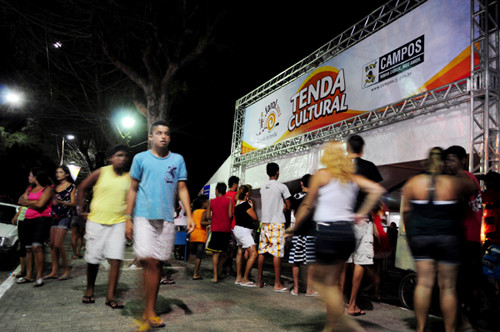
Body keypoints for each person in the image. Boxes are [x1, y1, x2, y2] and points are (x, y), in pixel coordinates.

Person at [291, 140, 385, 331]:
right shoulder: (351, 177)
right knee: (332, 284)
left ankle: (346, 323)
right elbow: (377, 190)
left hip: (328, 232)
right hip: (346, 234)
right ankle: (330, 327)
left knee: (318, 281)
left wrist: (293, 228)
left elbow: (308, 204)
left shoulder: (323, 175)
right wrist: (361, 213)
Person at [125, 120, 195, 329]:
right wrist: (128, 218)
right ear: (150, 137)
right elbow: (132, 189)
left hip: (166, 218)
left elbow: (182, 188)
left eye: (166, 133)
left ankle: (149, 304)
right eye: (159, 133)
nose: (163, 136)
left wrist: (189, 214)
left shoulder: (178, 159)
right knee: (148, 260)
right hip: (143, 216)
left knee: (156, 263)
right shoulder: (140, 158)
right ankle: (149, 309)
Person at [403, 147, 476, 332]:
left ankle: (420, 328)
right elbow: (473, 187)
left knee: (424, 283)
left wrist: (411, 237)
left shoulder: (412, 183)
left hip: (421, 237)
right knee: (448, 288)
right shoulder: (452, 183)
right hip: (448, 238)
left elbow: (406, 213)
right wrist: (459, 168)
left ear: (426, 162)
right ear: (442, 162)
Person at [77, 145, 131, 309]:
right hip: (96, 221)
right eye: (119, 155)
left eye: (125, 156)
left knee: (116, 258)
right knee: (93, 259)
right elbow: (82, 187)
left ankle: (110, 296)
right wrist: (80, 210)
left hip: (118, 222)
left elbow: (130, 200)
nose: (122, 158)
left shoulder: (129, 177)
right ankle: (89, 290)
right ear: (111, 158)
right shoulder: (101, 172)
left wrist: (130, 219)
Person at [344, 134, 383, 315]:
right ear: (361, 149)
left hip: (342, 219)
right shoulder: (369, 167)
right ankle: (352, 304)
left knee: (343, 262)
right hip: (361, 220)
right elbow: (376, 195)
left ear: (347, 148)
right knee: (360, 261)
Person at [444, 145, 482, 328]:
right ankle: (465, 321)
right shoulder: (467, 179)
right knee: (464, 285)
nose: (448, 165)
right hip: (469, 240)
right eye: (446, 161)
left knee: (454, 286)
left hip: (464, 239)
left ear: (463, 161)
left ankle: (463, 322)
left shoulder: (465, 178)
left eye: (451, 160)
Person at [17, 168, 55, 287]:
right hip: (25, 220)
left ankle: (39, 276)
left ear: (36, 177)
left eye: (30, 175)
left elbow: (40, 205)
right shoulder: (29, 188)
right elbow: (20, 201)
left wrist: (27, 202)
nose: (29, 177)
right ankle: (28, 275)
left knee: (37, 247)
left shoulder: (48, 189)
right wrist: (31, 203)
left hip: (40, 220)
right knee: (28, 248)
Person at [257, 162, 291, 291]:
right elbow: (288, 205)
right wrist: (285, 206)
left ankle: (259, 281)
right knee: (277, 253)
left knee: (262, 252)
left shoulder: (262, 187)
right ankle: (277, 284)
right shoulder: (282, 187)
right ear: (277, 172)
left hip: (264, 223)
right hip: (276, 223)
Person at [44, 165, 76, 280]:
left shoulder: (71, 186)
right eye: (57, 172)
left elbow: (73, 203)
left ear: (66, 174)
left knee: (58, 243)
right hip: (54, 216)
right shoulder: (54, 187)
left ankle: (66, 270)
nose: (58, 174)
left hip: (65, 216)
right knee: (52, 244)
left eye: (60, 172)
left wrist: (60, 201)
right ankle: (54, 271)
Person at [288, 174, 317, 296]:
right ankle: (309, 290)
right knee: (311, 263)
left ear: (301, 183)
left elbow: (294, 214)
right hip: (311, 231)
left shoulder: (295, 197)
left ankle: (295, 288)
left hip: (298, 232)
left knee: (296, 261)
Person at [205, 182, 233, 283]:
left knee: (215, 253)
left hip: (216, 229)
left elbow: (208, 216)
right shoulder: (228, 201)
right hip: (226, 229)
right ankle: (220, 270)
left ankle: (215, 276)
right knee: (224, 253)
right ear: (225, 191)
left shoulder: (211, 201)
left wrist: (215, 217)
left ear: (216, 190)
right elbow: (230, 215)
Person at [233, 184, 259, 287]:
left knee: (240, 251)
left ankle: (239, 277)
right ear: (247, 193)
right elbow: (255, 217)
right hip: (244, 231)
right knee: (254, 253)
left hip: (238, 229)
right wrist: (252, 207)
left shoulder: (238, 205)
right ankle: (245, 279)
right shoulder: (246, 205)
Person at [189, 195, 210, 280]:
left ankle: (192, 268)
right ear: (204, 203)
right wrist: (211, 222)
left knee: (194, 254)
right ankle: (195, 273)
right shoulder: (204, 211)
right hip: (200, 235)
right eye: (208, 202)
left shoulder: (194, 211)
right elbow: (202, 222)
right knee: (199, 256)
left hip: (193, 235)